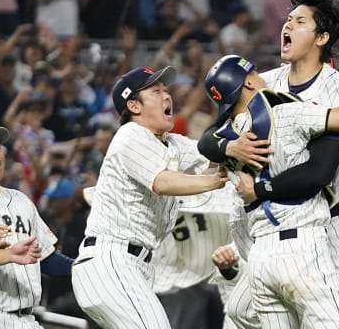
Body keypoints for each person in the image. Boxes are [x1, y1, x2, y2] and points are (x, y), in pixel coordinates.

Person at [198, 0, 339, 328]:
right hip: (295, 217)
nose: (286, 26)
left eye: (299, 21)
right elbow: (208, 137)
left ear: (322, 38)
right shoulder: (267, 82)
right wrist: (231, 146)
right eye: (287, 19)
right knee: (241, 309)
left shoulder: (335, 88)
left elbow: (324, 163)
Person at [203, 53, 339, 327]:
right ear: (248, 84)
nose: (263, 78)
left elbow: (204, 144)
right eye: (255, 73)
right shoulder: (288, 112)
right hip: (301, 248)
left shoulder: (226, 138)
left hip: (260, 258)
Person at [70, 66, 228, 329]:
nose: (167, 96)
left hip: (133, 266)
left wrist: (234, 144)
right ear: (133, 105)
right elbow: (163, 181)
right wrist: (211, 181)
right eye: (156, 91)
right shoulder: (130, 134)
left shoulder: (171, 143)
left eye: (166, 90)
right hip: (111, 260)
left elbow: (210, 152)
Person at [0, 126, 75, 328]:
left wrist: (76, 267)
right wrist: (7, 254)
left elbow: (44, 256)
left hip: (28, 319)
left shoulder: (20, 200)